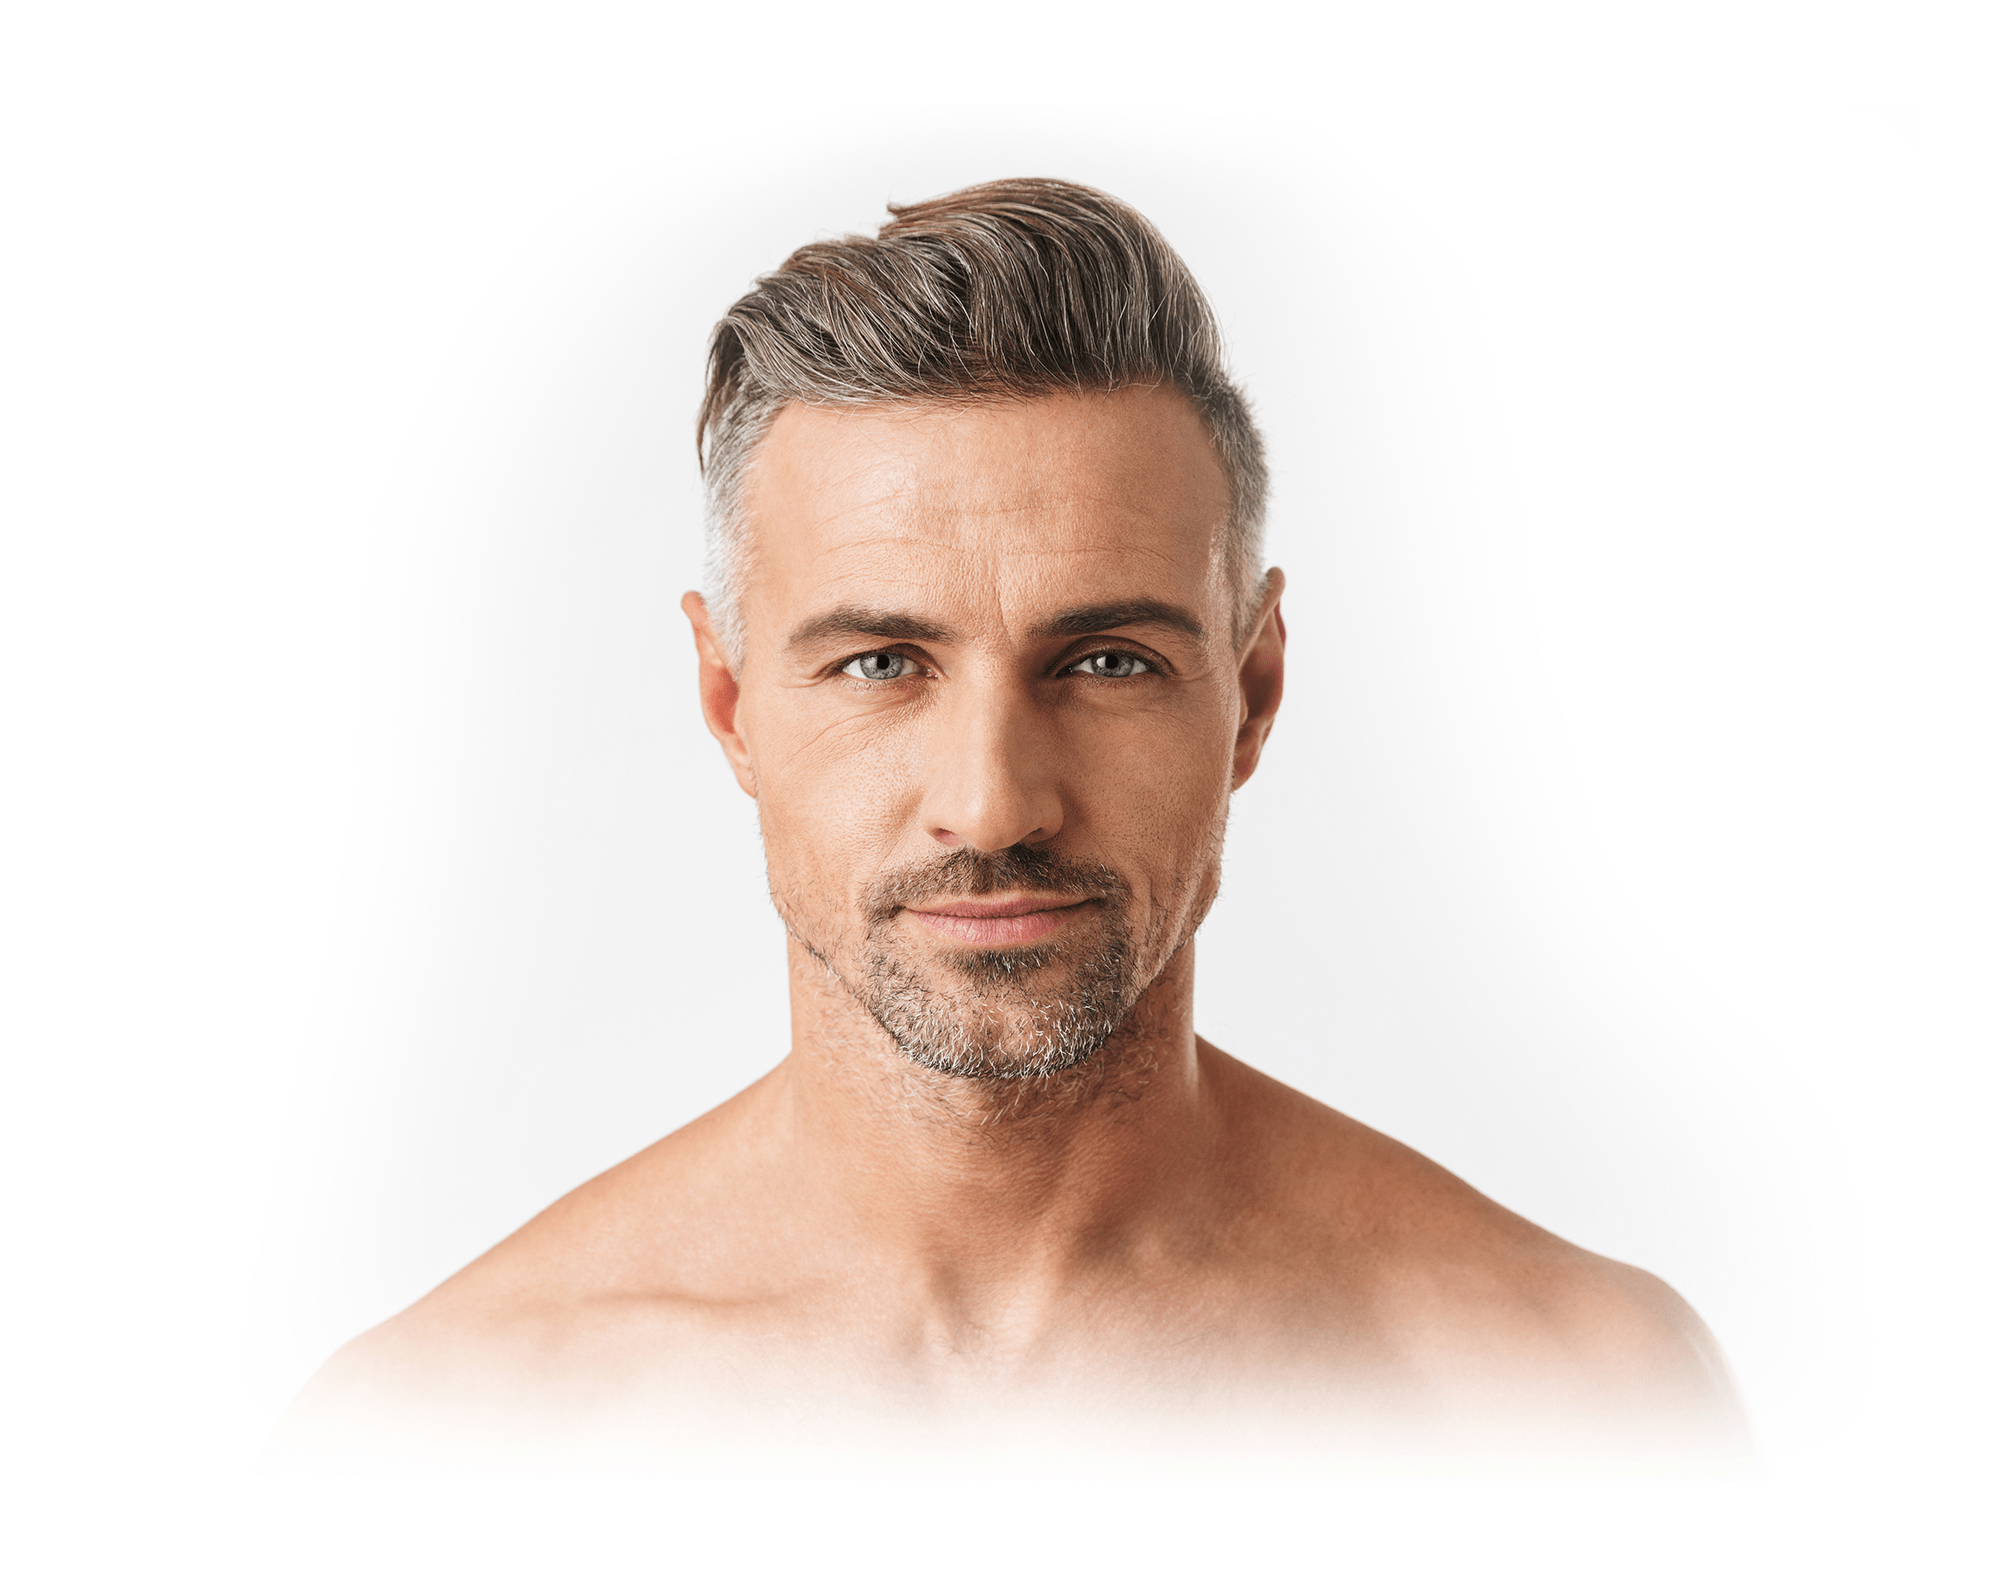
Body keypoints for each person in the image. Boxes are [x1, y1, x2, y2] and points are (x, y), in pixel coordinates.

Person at [277, 178, 1747, 1473]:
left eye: (1105, 662)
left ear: (1251, 693)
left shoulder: (1573, 1400)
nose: (992, 803)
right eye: (880, 664)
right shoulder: (444, 1436)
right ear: (729, 702)